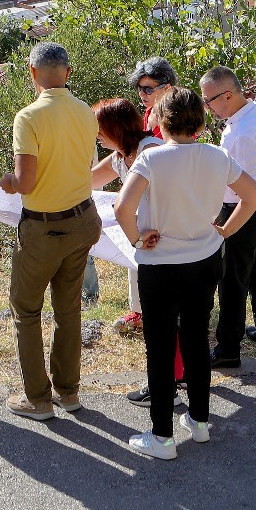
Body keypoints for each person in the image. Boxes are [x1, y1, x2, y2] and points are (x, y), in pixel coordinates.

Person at [116, 88, 256, 459]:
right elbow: (253, 194)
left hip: (160, 266)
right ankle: (199, 422)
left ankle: (162, 437)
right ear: (200, 121)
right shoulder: (218, 156)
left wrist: (137, 238)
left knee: (161, 349)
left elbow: (122, 208)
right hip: (204, 260)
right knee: (197, 339)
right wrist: (226, 230)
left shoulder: (151, 159)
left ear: (161, 122)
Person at [0, 42, 102, 420]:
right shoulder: (85, 113)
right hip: (82, 220)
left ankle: (38, 399)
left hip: (45, 228)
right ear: (68, 73)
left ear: (32, 73)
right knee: (68, 309)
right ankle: (69, 392)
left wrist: (9, 182)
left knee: (26, 310)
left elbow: (26, 182)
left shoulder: (28, 117)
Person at [200, 66, 256, 366]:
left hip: (245, 209)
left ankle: (228, 349)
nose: (205, 106)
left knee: (232, 279)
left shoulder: (243, 135)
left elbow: (243, 190)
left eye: (208, 100)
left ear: (228, 95)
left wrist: (226, 225)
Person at [90, 98, 163, 335]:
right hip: (143, 229)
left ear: (115, 126)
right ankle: (141, 313)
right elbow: (88, 181)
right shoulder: (120, 156)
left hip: (166, 227)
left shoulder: (150, 150)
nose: (97, 135)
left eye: (99, 128)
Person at [128, 57, 177, 137]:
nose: (141, 94)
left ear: (167, 88)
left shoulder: (179, 117)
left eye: (148, 89)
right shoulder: (150, 111)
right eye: (139, 88)